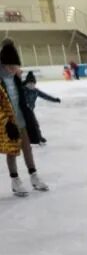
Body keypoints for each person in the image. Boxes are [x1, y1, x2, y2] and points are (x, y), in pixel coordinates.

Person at [0, 40, 48, 197]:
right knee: (12, 152)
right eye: (11, 67)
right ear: (4, 64)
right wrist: (7, 124)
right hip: (7, 123)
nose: (14, 70)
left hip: (21, 121)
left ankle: (34, 176)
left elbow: (20, 100)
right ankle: (15, 180)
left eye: (16, 67)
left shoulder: (15, 78)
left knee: (27, 149)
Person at [23, 71, 61, 145]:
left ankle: (39, 138)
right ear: (26, 84)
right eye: (29, 83)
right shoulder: (23, 90)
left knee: (35, 124)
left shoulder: (36, 91)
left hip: (30, 111)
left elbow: (46, 96)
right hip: (21, 111)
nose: (31, 85)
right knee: (23, 126)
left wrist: (55, 100)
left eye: (33, 84)